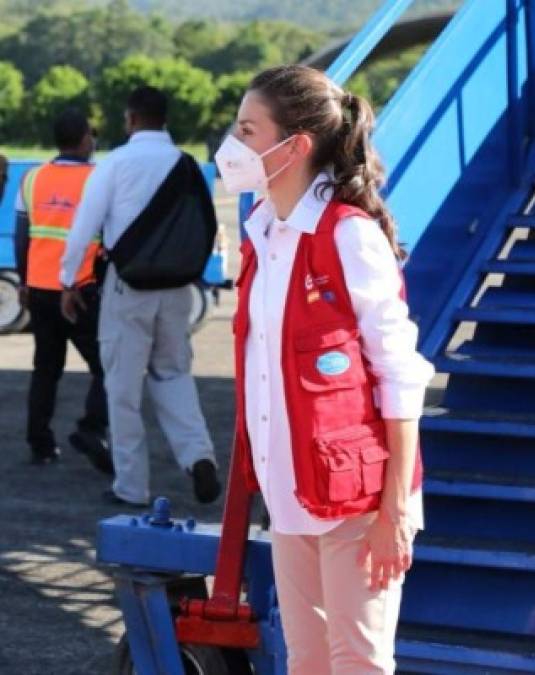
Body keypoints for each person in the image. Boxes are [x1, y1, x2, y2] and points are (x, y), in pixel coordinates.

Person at [215, 65, 435, 675]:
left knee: (358, 662)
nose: (234, 146)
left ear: (296, 146)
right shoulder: (264, 234)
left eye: (247, 130)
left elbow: (400, 374)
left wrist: (394, 510)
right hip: (290, 489)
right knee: (307, 659)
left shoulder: (347, 235)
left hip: (357, 501)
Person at [60, 85, 220, 507]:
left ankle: (131, 487)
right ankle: (198, 456)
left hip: (127, 289)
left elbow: (82, 230)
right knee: (173, 375)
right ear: (164, 119)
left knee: (123, 389)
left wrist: (66, 281)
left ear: (130, 119)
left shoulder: (116, 164)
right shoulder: (183, 164)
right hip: (176, 289)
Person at [14, 109, 109, 467]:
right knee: (105, 367)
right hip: (82, 290)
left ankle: (40, 444)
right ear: (85, 138)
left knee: (46, 370)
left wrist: (24, 280)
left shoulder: (33, 178)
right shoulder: (99, 179)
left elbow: (24, 236)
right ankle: (92, 427)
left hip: (40, 290)